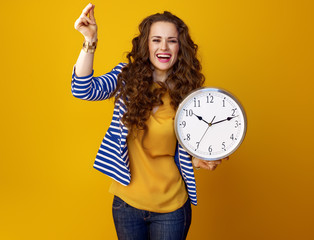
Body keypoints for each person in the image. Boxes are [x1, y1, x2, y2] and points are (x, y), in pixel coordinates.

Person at [72, 3, 227, 240]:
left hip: (172, 207)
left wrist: (201, 158)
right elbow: (83, 89)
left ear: (180, 47)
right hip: (127, 204)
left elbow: (193, 148)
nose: (163, 47)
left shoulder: (191, 96)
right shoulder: (126, 77)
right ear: (146, 44)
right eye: (156, 40)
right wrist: (89, 40)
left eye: (171, 41)